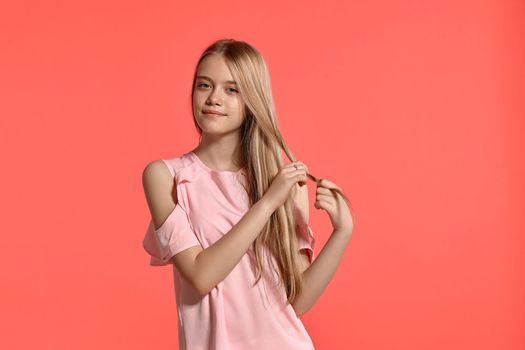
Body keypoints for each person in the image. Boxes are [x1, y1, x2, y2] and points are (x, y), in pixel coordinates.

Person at [142, 38, 354, 350]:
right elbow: (201, 275)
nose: (214, 98)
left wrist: (342, 232)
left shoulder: (284, 184)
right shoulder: (166, 177)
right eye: (204, 85)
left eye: (232, 89)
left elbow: (297, 301)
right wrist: (267, 203)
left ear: (252, 99)